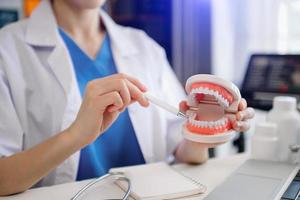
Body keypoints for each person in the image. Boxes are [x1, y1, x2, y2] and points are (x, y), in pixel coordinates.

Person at [0, 0, 255, 196]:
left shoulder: (145, 47)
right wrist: (75, 136)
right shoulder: (7, 49)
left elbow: (183, 151)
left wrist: (205, 130)